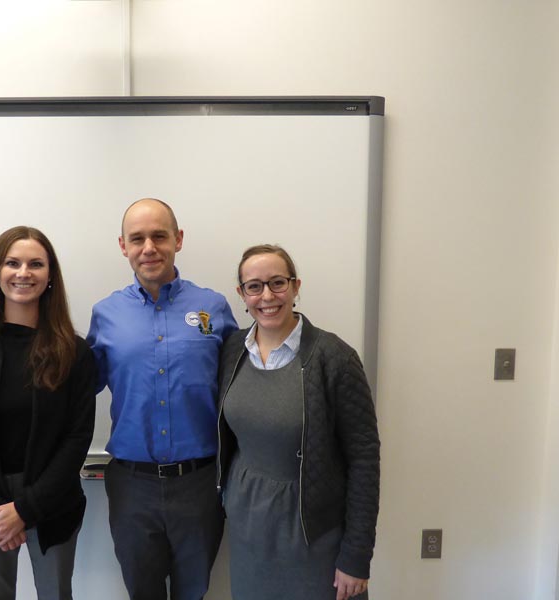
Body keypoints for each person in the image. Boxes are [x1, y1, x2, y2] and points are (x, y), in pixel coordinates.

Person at [87, 198, 238, 600]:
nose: (148, 247)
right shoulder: (105, 314)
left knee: (194, 592)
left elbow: (242, 389)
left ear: (179, 239)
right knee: (142, 592)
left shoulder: (214, 308)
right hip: (132, 486)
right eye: (137, 238)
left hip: (201, 484)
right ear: (123, 245)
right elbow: (78, 392)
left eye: (159, 236)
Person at [0, 226, 96, 600]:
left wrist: (25, 510)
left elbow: (77, 438)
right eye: (13, 263)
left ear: (50, 276)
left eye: (36, 264)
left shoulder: (73, 352)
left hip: (52, 500)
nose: (24, 272)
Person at [217, 244, 380, 600]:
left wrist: (356, 556)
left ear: (295, 286)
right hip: (249, 531)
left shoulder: (334, 358)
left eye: (277, 282)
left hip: (313, 532)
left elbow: (364, 459)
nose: (267, 296)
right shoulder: (232, 351)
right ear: (242, 294)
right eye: (254, 286)